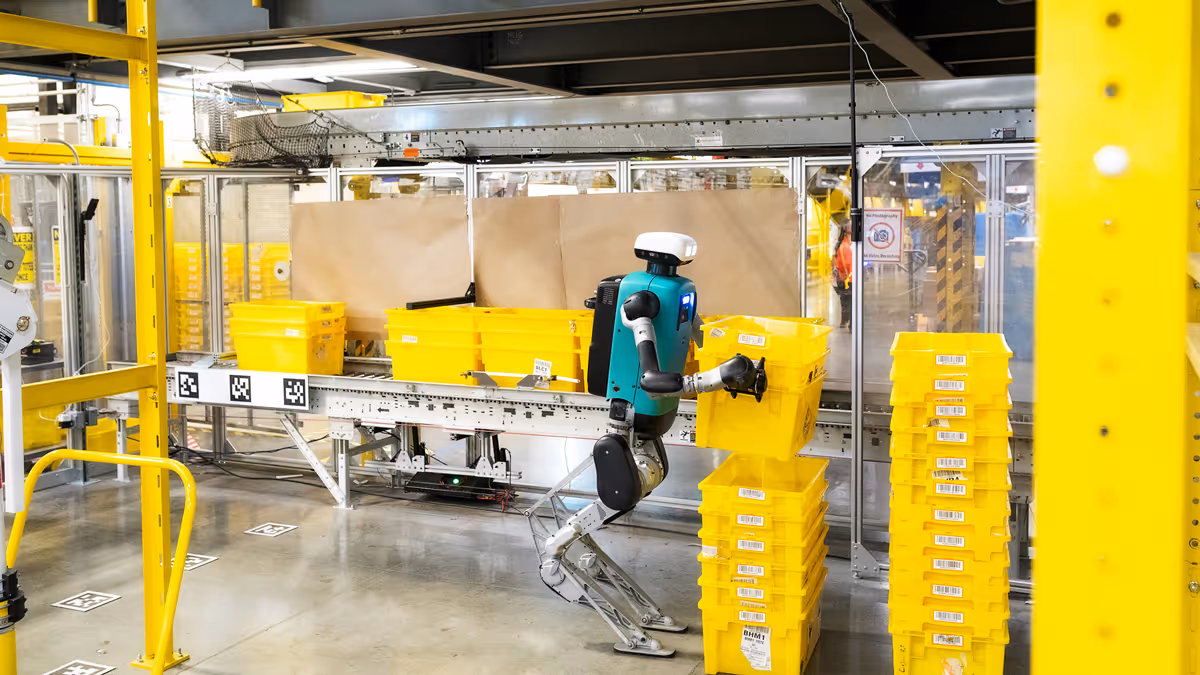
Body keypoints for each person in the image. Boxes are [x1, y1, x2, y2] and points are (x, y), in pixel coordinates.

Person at [833, 220, 853, 329]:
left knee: (847, 299)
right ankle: (846, 320)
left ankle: (847, 320)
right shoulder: (842, 245)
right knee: (846, 299)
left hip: (849, 277)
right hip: (845, 277)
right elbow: (837, 259)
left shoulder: (852, 243)